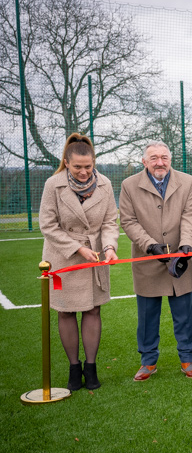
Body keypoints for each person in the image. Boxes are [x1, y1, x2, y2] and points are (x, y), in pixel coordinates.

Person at [39, 133, 119, 390]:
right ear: (66, 162)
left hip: (95, 254)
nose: (84, 172)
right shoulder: (53, 184)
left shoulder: (105, 184)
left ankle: (91, 367)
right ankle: (74, 367)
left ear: (94, 162)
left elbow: (109, 222)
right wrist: (77, 249)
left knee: (93, 309)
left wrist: (109, 247)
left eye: (88, 166)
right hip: (63, 257)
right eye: (77, 167)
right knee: (66, 311)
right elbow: (48, 226)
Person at [119, 141, 192, 381]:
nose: (159, 162)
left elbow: (189, 214)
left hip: (179, 260)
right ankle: (148, 362)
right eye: (154, 158)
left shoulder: (187, 181)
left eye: (164, 157)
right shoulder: (129, 185)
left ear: (170, 159)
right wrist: (150, 246)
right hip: (147, 260)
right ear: (144, 162)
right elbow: (128, 221)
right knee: (147, 317)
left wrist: (186, 245)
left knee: (184, 315)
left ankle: (188, 359)